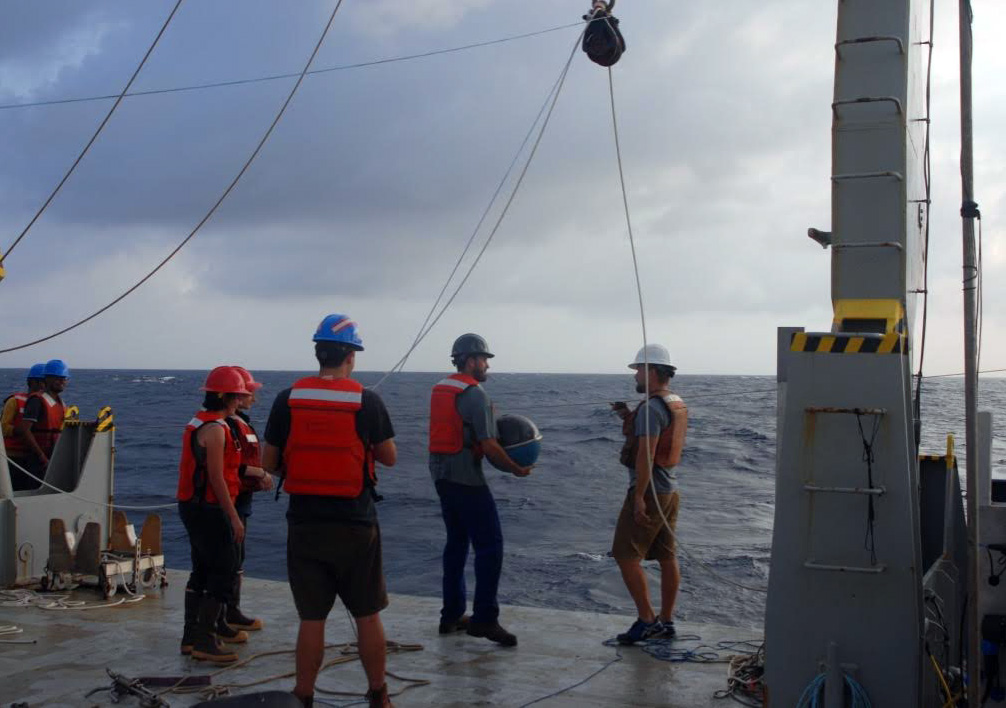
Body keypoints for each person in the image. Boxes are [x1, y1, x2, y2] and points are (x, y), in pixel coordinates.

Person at [261, 314, 397, 708]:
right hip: (356, 523)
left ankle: (303, 696)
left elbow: (268, 462)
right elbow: (388, 458)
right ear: (350, 356)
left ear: (318, 353)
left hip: (305, 524)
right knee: (368, 615)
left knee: (312, 619)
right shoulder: (367, 401)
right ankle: (379, 695)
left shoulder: (287, 399)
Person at [428, 333, 532, 648]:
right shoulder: (476, 395)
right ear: (471, 360)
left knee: (456, 544)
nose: (487, 365)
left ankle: (452, 615)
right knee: (491, 546)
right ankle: (485, 619)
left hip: (441, 478)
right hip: (467, 481)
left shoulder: (441, 388)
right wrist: (515, 468)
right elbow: (488, 445)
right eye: (484, 359)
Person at [609, 343, 688, 644]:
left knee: (625, 554)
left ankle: (646, 620)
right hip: (670, 492)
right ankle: (666, 621)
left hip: (651, 492)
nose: (635, 376)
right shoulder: (673, 402)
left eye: (639, 369)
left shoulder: (651, 408)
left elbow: (646, 455)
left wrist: (639, 497)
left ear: (653, 371)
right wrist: (628, 416)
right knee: (667, 556)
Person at [176, 366, 249, 664]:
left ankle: (191, 637)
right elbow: (218, 479)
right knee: (225, 568)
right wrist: (233, 517)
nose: (240, 402)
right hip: (209, 509)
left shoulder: (198, 422)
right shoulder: (217, 430)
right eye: (237, 397)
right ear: (226, 398)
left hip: (191, 506)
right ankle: (206, 639)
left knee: (202, 569)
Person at [224, 366, 272, 633]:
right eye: (250, 393)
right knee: (230, 556)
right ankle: (226, 614)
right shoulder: (229, 425)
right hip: (234, 498)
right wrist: (261, 472)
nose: (254, 398)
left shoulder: (238, 423)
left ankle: (231, 611)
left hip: (241, 497)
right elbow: (233, 465)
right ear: (238, 395)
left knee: (236, 556)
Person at [16, 359, 71, 486]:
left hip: (54, 458)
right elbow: (24, 430)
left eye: (64, 378)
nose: (62, 381)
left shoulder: (61, 403)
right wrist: (41, 456)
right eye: (57, 378)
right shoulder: (37, 400)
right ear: (47, 379)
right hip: (38, 461)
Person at [2, 363, 46, 491]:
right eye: (40, 382)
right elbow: (3, 427)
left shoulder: (47, 404)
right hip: (13, 457)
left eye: (44, 382)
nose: (43, 386)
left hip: (35, 457)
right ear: (30, 382)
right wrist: (22, 431)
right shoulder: (15, 401)